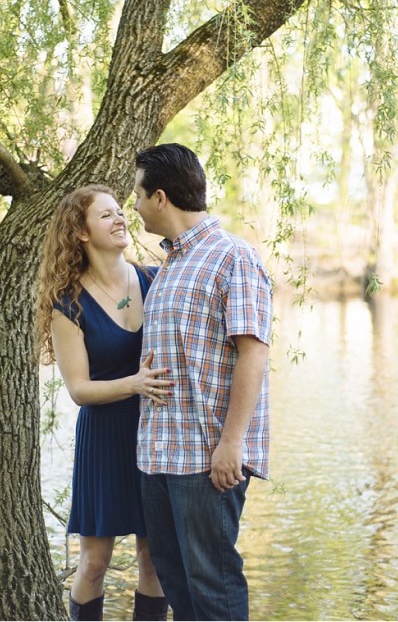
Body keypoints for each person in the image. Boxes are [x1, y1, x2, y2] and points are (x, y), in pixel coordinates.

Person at [132, 144, 274, 621]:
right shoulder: (170, 263)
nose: (134, 206)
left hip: (206, 457)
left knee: (213, 586)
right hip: (158, 455)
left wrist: (231, 444)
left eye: (138, 195)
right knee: (176, 582)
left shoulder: (233, 257)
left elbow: (253, 354)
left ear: (160, 197)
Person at [37, 184, 174, 621]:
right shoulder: (68, 303)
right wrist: (134, 383)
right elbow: (79, 390)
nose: (120, 219)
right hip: (104, 438)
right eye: (106, 215)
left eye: (120, 211)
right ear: (81, 232)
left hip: (155, 433)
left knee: (154, 559)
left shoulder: (155, 278)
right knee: (94, 563)